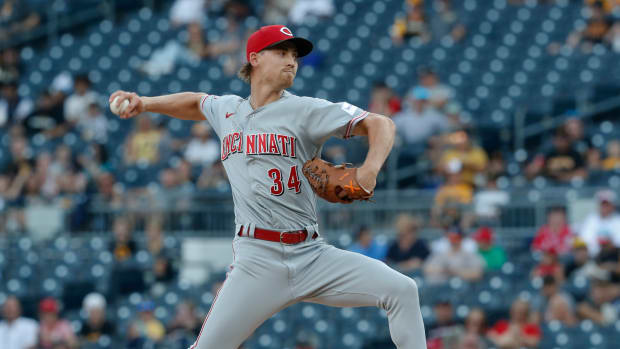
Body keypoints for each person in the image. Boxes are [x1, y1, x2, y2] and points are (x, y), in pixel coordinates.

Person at [109, 24, 426, 349]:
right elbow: (195, 103)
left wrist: (369, 170)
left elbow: (381, 124)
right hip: (256, 260)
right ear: (254, 58)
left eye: (295, 55)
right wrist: (145, 103)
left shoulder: (305, 109)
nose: (292, 61)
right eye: (282, 52)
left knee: (402, 290)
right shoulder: (228, 109)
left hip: (311, 254)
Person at [579, 189, 620, 256]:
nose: (604, 207)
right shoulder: (591, 219)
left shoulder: (618, 220)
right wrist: (598, 244)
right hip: (593, 255)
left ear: (612, 205)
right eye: (602, 205)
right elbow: (584, 239)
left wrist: (610, 244)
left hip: (614, 255)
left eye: (607, 205)